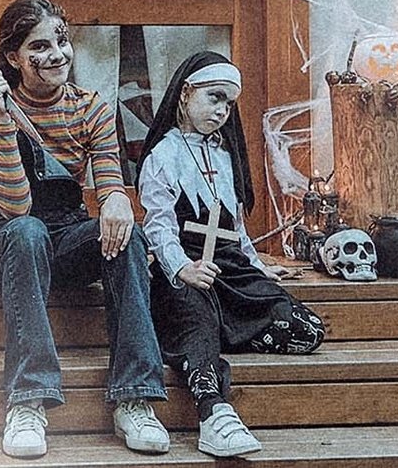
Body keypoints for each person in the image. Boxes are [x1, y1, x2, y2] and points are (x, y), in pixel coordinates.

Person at [0, 0, 169, 459]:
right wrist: (3, 119)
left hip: (68, 231)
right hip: (10, 236)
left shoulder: (91, 108)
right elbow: (16, 206)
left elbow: (108, 178)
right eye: (39, 46)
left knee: (130, 237)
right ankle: (28, 401)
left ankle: (134, 397)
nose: (56, 54)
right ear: (13, 59)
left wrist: (118, 199)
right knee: (28, 233)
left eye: (61, 41)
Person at [136, 51, 326, 458]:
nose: (222, 111)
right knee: (196, 315)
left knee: (307, 328)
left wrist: (260, 267)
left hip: (230, 270)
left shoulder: (224, 157)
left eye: (228, 103)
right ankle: (213, 411)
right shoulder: (163, 157)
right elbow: (158, 227)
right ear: (186, 94)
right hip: (185, 271)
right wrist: (182, 268)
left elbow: (237, 229)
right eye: (214, 98)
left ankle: (210, 329)